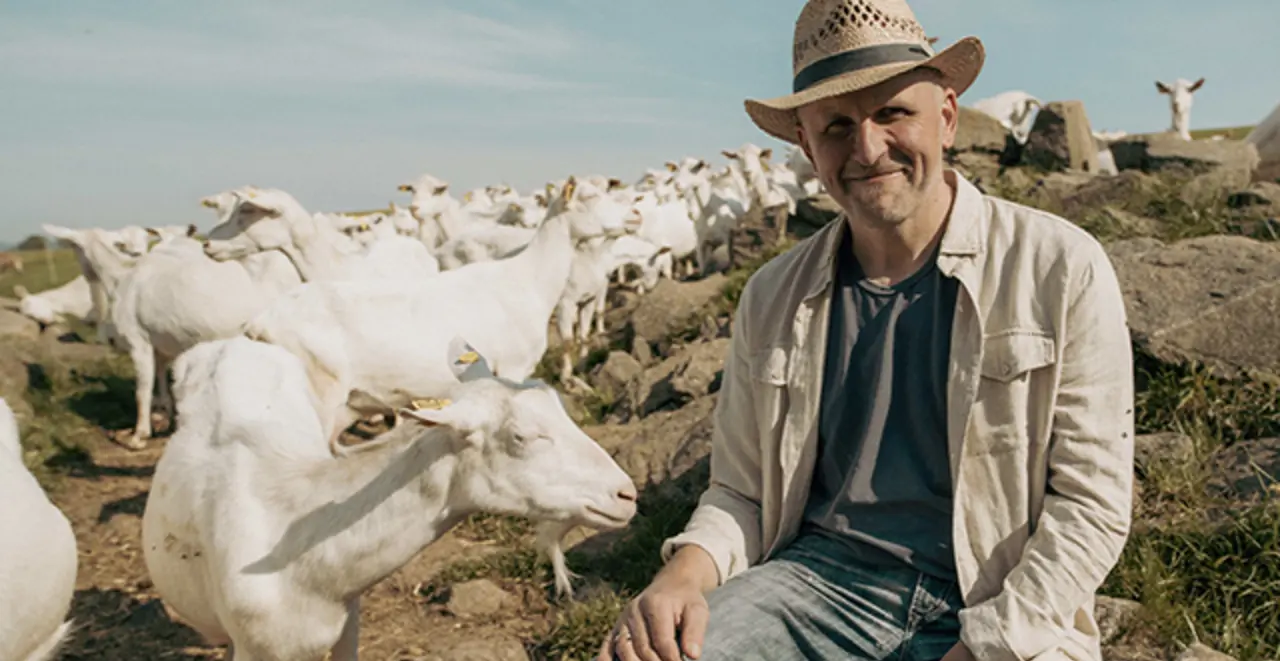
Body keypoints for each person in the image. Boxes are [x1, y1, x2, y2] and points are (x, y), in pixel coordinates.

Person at [598, 0, 1136, 660]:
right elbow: (739, 490)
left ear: (946, 116)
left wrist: (985, 647)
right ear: (805, 145)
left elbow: (1090, 505)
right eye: (837, 127)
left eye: (893, 113)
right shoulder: (771, 296)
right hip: (812, 587)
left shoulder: (1059, 266)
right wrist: (680, 576)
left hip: (997, 604)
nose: (868, 148)